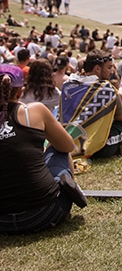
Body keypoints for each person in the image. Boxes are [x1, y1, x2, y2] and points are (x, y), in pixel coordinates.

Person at [0, 64, 87, 234]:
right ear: (20, 91)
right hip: (45, 214)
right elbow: (67, 146)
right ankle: (72, 190)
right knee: (58, 149)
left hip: (1, 222)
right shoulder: (35, 111)